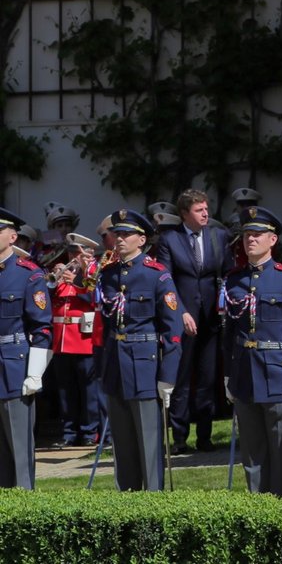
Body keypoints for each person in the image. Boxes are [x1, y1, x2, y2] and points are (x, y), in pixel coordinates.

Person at [221, 206, 282, 497]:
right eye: (247, 235)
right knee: (252, 450)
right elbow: (228, 333)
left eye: (257, 235)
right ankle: (258, 505)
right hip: (244, 372)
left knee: (280, 445)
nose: (250, 240)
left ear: (273, 240)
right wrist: (227, 375)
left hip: (276, 371)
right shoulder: (233, 280)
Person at [96, 209, 183, 491]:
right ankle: (128, 501)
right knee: (122, 445)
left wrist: (167, 376)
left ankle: (153, 503)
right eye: (116, 234)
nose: (119, 239)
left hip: (144, 365)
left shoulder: (157, 275)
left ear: (141, 239)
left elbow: (173, 331)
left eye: (126, 234)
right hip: (115, 365)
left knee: (148, 442)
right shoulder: (107, 275)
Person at [154, 189, 232, 454]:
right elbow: (166, 280)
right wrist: (181, 312)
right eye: (199, 210)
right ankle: (179, 437)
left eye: (206, 209)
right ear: (185, 214)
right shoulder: (170, 240)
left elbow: (229, 272)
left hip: (211, 317)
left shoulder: (217, 236)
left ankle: (205, 436)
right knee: (183, 377)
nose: (205, 214)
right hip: (183, 315)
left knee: (208, 377)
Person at [0, 208, 52, 488]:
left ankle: (22, 508)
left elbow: (42, 329)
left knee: (19, 450)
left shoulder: (28, 275)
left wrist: (35, 373)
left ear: (12, 236)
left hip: (14, 367)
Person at [49, 233, 102, 448]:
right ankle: (68, 432)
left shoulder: (95, 273)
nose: (73, 257)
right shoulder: (62, 274)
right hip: (61, 341)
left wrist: (78, 283)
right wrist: (55, 278)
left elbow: (96, 299)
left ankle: (90, 432)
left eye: (77, 252)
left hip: (84, 339)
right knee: (65, 390)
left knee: (88, 391)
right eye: (71, 252)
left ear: (88, 254)